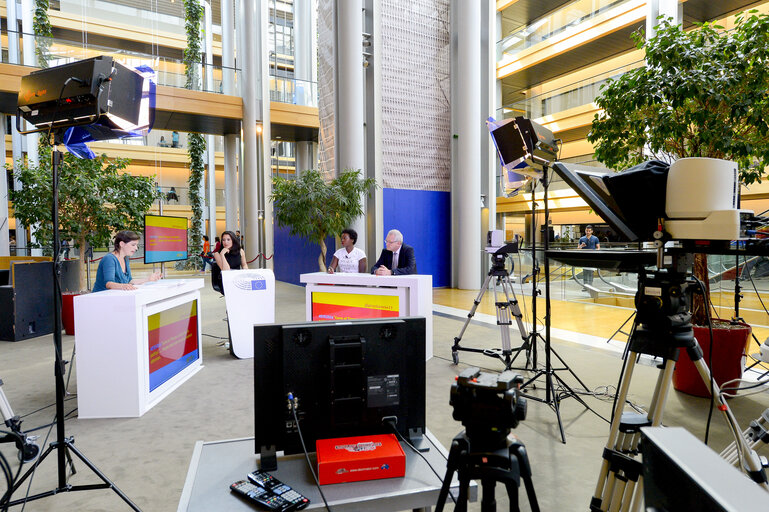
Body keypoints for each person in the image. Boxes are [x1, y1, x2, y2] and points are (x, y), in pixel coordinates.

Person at [92, 230, 162, 292]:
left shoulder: (125, 258)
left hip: (115, 297)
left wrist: (148, 279)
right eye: (133, 245)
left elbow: (130, 281)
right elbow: (109, 284)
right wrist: (124, 286)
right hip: (101, 299)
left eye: (136, 245)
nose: (136, 248)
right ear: (122, 244)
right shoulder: (109, 259)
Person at [578, 225, 600, 289]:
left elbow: (598, 247)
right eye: (586, 231)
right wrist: (581, 245)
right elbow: (578, 248)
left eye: (589, 231)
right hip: (584, 257)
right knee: (585, 272)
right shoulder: (581, 239)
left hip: (592, 257)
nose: (587, 232)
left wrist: (596, 254)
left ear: (592, 231)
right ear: (585, 231)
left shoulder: (595, 238)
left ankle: (590, 286)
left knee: (590, 272)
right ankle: (585, 286)